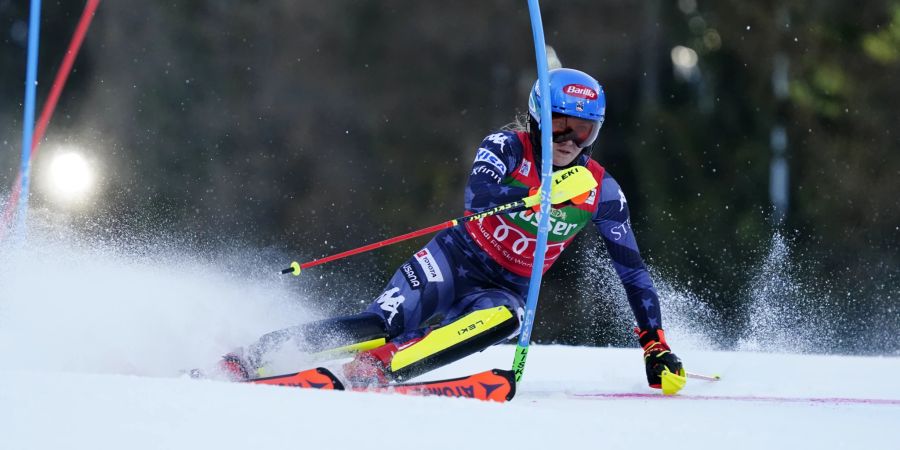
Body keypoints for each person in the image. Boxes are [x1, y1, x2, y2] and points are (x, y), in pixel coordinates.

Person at [219, 68, 685, 392]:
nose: (568, 141)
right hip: (453, 260)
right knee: (380, 324)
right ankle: (254, 354)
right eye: (559, 126)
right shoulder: (506, 146)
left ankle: (378, 369)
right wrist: (535, 196)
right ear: (538, 118)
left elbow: (634, 273)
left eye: (583, 131)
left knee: (507, 318)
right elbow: (477, 199)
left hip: (506, 287)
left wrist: (654, 345)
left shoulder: (601, 191)